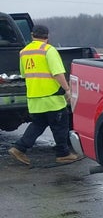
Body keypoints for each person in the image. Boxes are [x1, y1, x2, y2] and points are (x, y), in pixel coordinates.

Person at [9, 24, 81, 166]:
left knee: (38, 124)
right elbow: (57, 74)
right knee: (60, 124)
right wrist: (67, 90)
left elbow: (24, 74)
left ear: (32, 35)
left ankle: (19, 148)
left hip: (34, 98)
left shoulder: (24, 52)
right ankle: (63, 153)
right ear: (47, 37)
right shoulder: (49, 50)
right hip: (51, 97)